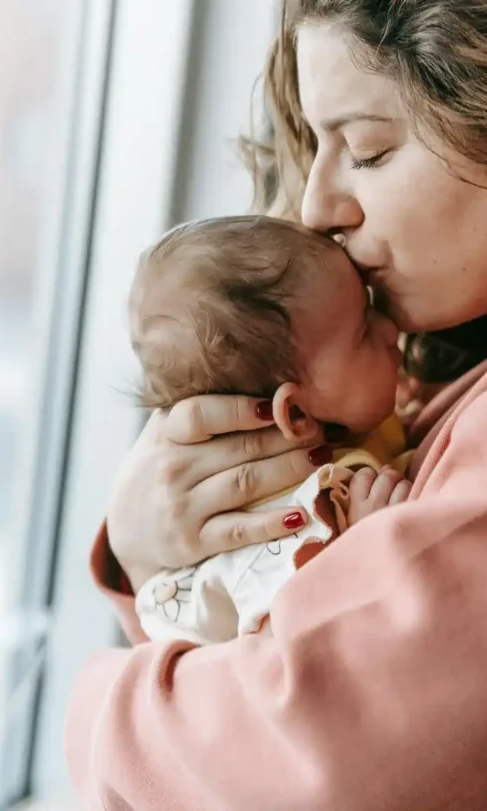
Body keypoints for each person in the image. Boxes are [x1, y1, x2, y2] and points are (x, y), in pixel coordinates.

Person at [65, 0, 487, 810]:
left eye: (370, 148)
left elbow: (310, 765)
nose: (317, 206)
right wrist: (172, 561)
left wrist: (100, 707)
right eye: (317, 147)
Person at [129, 214, 410, 644]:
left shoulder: (347, 430)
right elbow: (288, 656)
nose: (392, 330)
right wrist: (362, 548)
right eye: (363, 331)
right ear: (295, 414)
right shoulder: (283, 525)